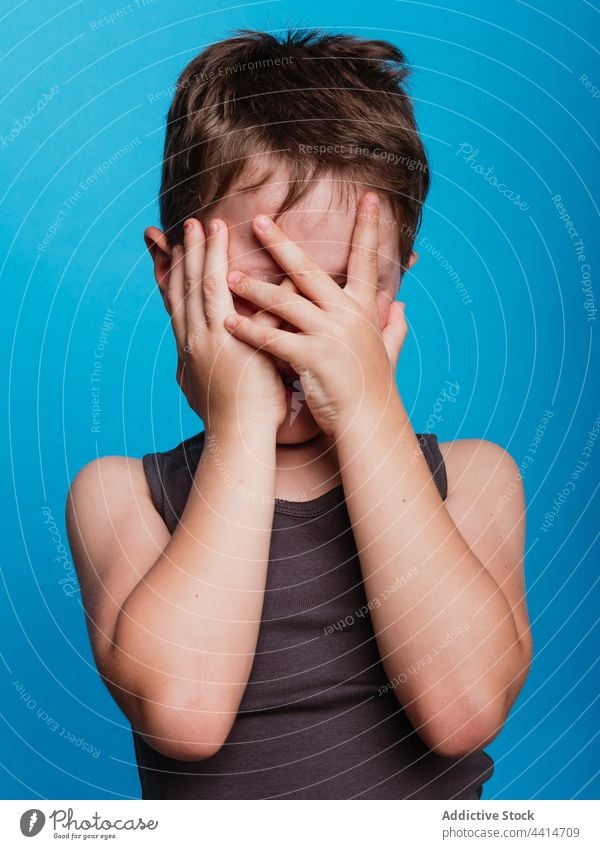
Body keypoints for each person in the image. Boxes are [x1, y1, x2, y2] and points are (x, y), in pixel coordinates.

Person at [66, 28, 532, 800]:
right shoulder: (119, 499)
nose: (300, 330)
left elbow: (463, 710)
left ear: (395, 282)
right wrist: (242, 420)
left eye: (339, 288)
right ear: (173, 274)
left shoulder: (474, 481)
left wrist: (368, 411)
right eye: (261, 286)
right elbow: (184, 712)